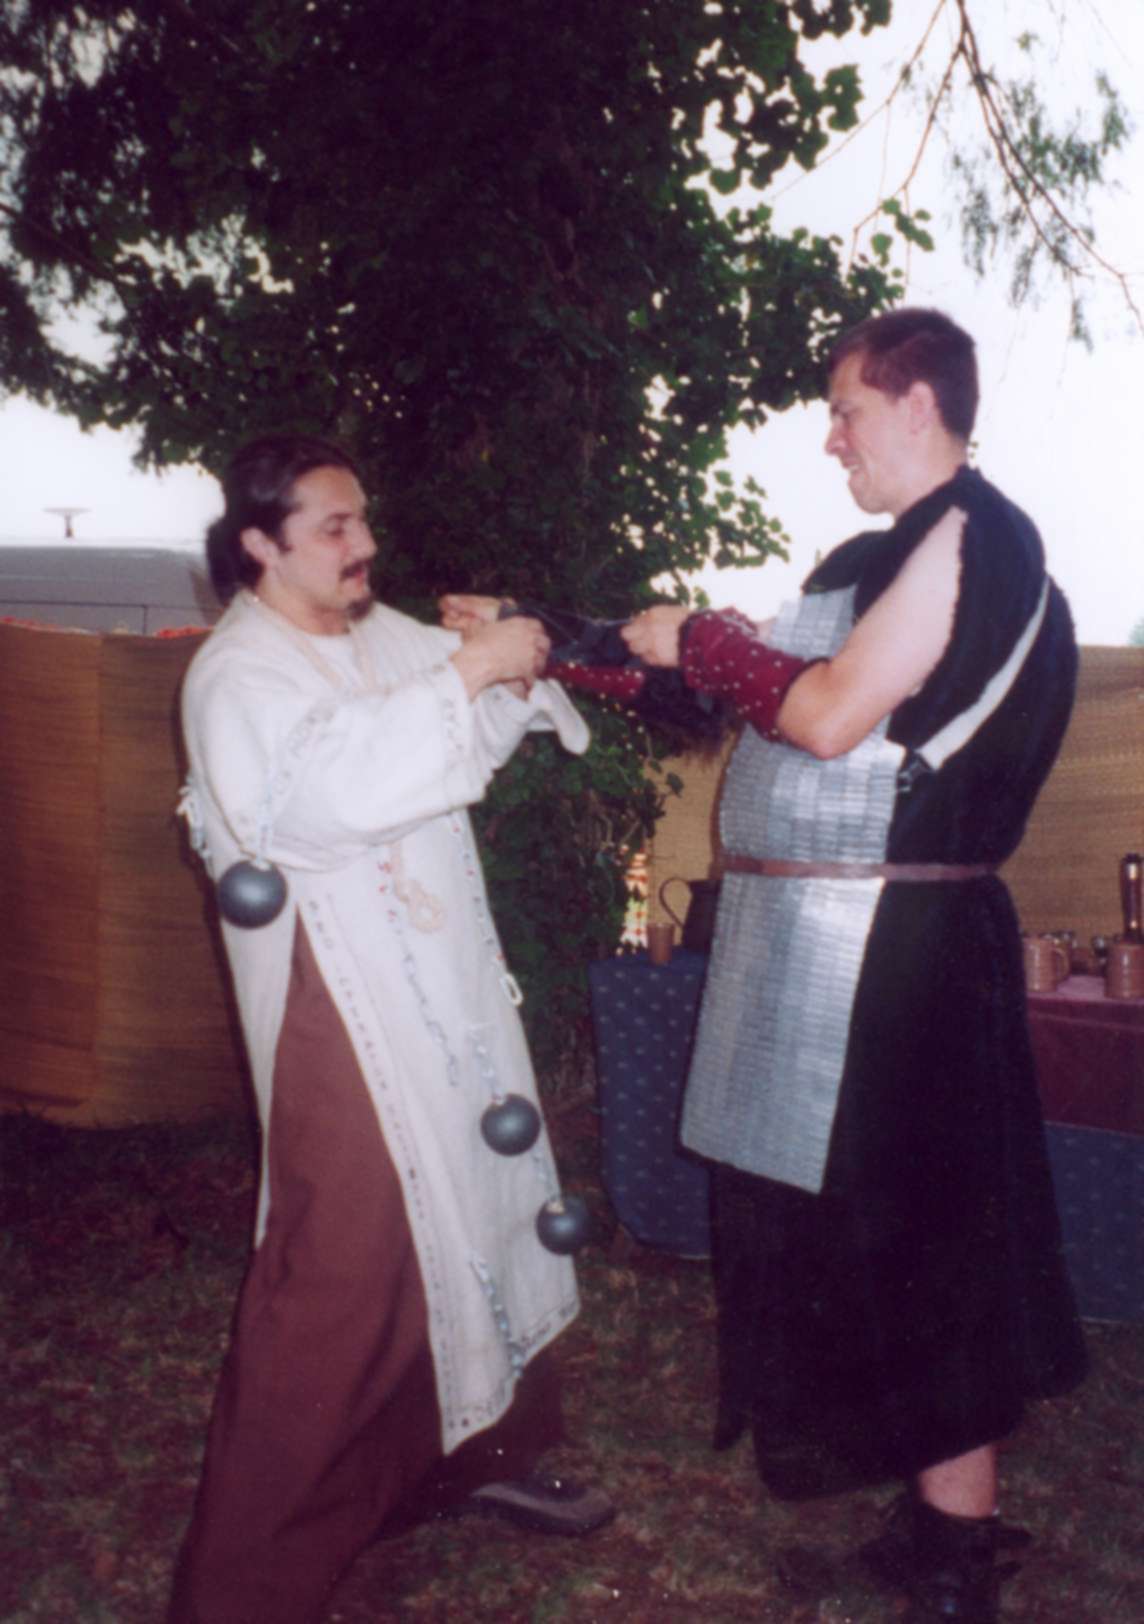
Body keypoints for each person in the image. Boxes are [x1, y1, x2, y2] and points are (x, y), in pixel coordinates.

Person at [444, 306, 1086, 1623]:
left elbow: (827, 714)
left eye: (846, 409)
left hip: (903, 954)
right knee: (865, 1242)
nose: (831, 436)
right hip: (841, 947)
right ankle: (937, 1523)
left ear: (918, 404)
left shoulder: (980, 539)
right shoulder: (877, 559)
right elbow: (731, 690)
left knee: (926, 1244)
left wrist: (704, 638)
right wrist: (553, 635)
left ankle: (958, 1560)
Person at [170, 434, 612, 1624]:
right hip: (342, 1003)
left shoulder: (381, 636)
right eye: (334, 527)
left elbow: (465, 741)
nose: (365, 545)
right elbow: (323, 802)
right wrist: (463, 675)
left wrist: (501, 657)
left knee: (473, 1207)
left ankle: (471, 1461)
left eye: (362, 519)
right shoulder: (235, 675)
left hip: (443, 984)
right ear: (260, 545)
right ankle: (240, 1589)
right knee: (344, 1266)